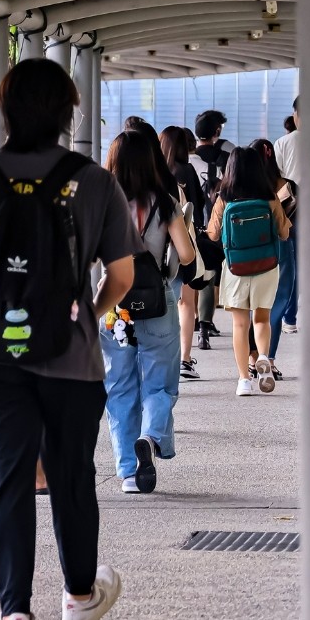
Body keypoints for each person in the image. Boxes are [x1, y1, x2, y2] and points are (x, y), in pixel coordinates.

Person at [0, 57, 135, 620]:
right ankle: (77, 597)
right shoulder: (95, 182)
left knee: (7, 482)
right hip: (72, 362)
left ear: (5, 111)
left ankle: (14, 617)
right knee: (72, 476)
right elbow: (120, 276)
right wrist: (82, 315)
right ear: (68, 113)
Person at [101, 130, 196, 494]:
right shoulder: (165, 202)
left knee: (120, 386)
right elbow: (186, 256)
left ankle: (128, 472)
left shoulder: (102, 202)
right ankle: (151, 436)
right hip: (156, 302)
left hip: (113, 304)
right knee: (160, 383)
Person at [206, 144, 290, 396]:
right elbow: (284, 232)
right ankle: (263, 356)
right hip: (266, 265)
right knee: (262, 318)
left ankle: (244, 379)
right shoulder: (269, 196)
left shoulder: (224, 197)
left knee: (240, 325)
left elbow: (213, 234)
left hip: (235, 268)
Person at [160, 124, 208, 379]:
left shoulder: (154, 173)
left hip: (158, 249)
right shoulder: (187, 170)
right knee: (186, 303)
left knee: (165, 303)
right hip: (185, 243)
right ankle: (185, 360)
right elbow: (198, 206)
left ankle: (163, 359)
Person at [255, 137, 298, 375]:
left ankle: (252, 360)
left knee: (251, 305)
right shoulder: (287, 185)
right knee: (277, 303)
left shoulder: (239, 186)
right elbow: (292, 226)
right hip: (281, 247)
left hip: (248, 251)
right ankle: (269, 359)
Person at [191, 110, 232, 350]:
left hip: (197, 226)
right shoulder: (228, 157)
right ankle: (206, 322)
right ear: (217, 131)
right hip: (222, 224)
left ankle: (202, 324)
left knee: (202, 273)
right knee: (216, 272)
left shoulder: (189, 160)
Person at [273, 98, 301, 334]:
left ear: (296, 116)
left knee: (290, 264)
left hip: (290, 210)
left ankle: (289, 317)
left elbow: (277, 180)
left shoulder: (282, 143)